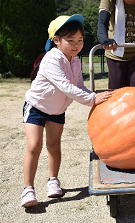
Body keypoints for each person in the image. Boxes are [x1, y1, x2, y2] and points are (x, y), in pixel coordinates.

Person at [21, 14, 112, 207]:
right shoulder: (52, 59)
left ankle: (53, 181)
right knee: (34, 146)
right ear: (56, 40)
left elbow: (79, 85)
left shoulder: (76, 61)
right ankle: (28, 190)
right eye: (70, 40)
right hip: (37, 106)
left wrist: (95, 95)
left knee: (54, 146)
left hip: (57, 110)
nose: (76, 45)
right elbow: (66, 87)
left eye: (79, 40)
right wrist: (92, 99)